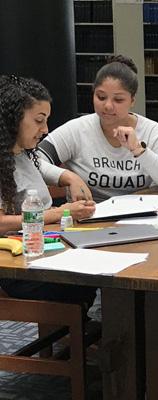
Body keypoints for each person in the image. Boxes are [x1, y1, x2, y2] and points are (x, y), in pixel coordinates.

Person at [0, 74, 96, 306]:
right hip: (18, 266)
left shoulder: (21, 152)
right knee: (85, 278)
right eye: (39, 120)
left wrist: (69, 176)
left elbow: (41, 168)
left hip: (43, 245)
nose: (45, 129)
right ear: (13, 119)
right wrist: (60, 212)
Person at [38, 55, 158, 203]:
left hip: (138, 216)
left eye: (118, 100)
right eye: (101, 97)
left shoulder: (151, 130)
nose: (107, 106)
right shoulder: (77, 129)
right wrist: (68, 177)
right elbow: (31, 160)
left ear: (132, 100)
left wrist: (139, 150)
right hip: (89, 217)